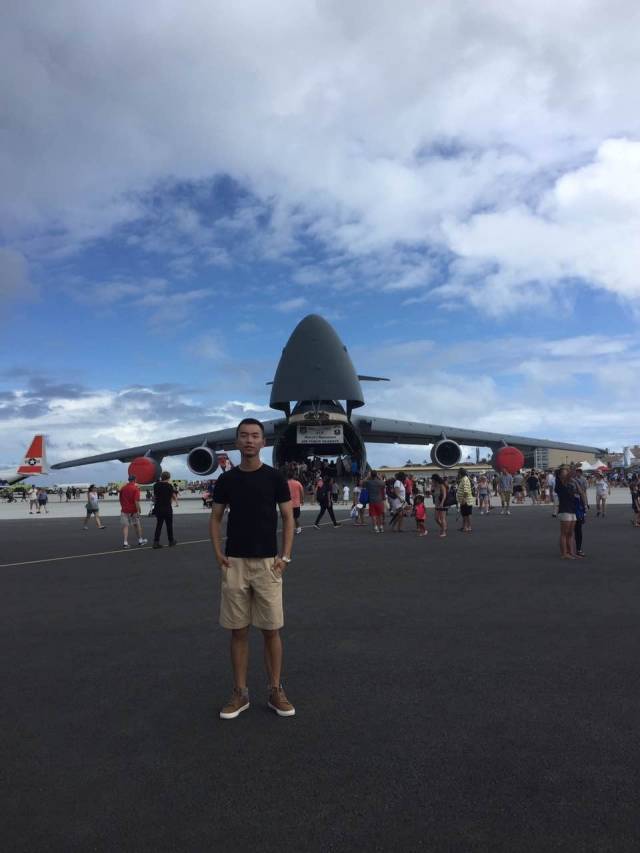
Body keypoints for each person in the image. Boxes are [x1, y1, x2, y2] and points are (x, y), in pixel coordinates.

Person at [210, 418, 295, 720]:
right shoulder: (226, 480)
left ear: (263, 442)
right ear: (236, 442)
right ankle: (240, 692)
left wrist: (285, 557)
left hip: (267, 563)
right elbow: (216, 518)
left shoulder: (275, 478)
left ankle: (275, 690)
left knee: (272, 630)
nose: (249, 440)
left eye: (255, 436)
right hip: (235, 563)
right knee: (239, 631)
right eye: (244, 436)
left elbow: (288, 518)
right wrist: (218, 553)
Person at [119, 475, 148, 549]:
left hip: (124, 510)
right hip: (133, 510)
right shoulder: (135, 489)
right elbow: (136, 501)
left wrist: (123, 506)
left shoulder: (123, 488)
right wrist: (139, 510)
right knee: (136, 525)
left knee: (125, 526)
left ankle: (125, 542)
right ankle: (140, 541)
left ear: (129, 480)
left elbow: (120, 499)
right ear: (135, 480)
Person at [555, 466, 577, 559]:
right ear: (560, 475)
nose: (566, 473)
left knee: (570, 533)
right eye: (564, 472)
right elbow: (569, 476)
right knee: (564, 533)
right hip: (564, 510)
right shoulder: (560, 483)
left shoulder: (569, 484)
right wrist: (573, 468)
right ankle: (564, 554)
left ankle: (571, 552)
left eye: (566, 472)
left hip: (572, 509)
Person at [152, 471, 177, 548]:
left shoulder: (156, 485)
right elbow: (172, 497)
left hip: (158, 508)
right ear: (168, 478)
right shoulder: (169, 486)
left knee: (159, 525)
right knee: (169, 525)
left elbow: (154, 497)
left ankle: (156, 542)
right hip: (167, 508)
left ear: (161, 477)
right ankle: (171, 541)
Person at [457, 468, 473, 532]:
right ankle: (465, 526)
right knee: (465, 514)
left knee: (467, 514)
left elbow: (466, 491)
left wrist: (463, 499)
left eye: (458, 473)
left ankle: (467, 527)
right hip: (465, 500)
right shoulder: (463, 479)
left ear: (461, 473)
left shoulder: (465, 479)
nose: (458, 474)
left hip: (466, 500)